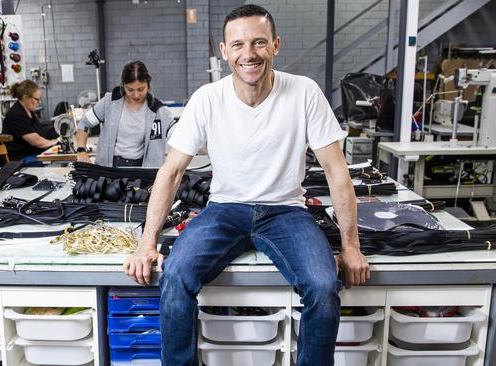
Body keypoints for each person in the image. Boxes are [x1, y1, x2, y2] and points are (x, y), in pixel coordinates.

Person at [123, 5, 370, 366]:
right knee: (174, 275)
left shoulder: (304, 93)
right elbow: (171, 171)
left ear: (275, 45)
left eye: (258, 42)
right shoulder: (208, 98)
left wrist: (351, 247)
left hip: (286, 211)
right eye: (237, 45)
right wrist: (147, 244)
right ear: (224, 52)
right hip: (225, 209)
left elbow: (336, 171)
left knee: (322, 286)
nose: (248, 53)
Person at [75, 61, 175, 167]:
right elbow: (84, 124)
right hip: (109, 169)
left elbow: (179, 134)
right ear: (123, 85)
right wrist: (81, 151)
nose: (136, 95)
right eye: (130, 90)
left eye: (141, 89)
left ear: (148, 84)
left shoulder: (158, 110)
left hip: (142, 172)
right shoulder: (109, 102)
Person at [3, 80, 60, 163]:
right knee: (54, 162)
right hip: (20, 158)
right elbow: (36, 142)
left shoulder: (29, 111)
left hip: (32, 153)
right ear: (25, 97)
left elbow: (39, 132)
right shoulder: (17, 114)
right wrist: (55, 143)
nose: (38, 102)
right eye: (36, 99)